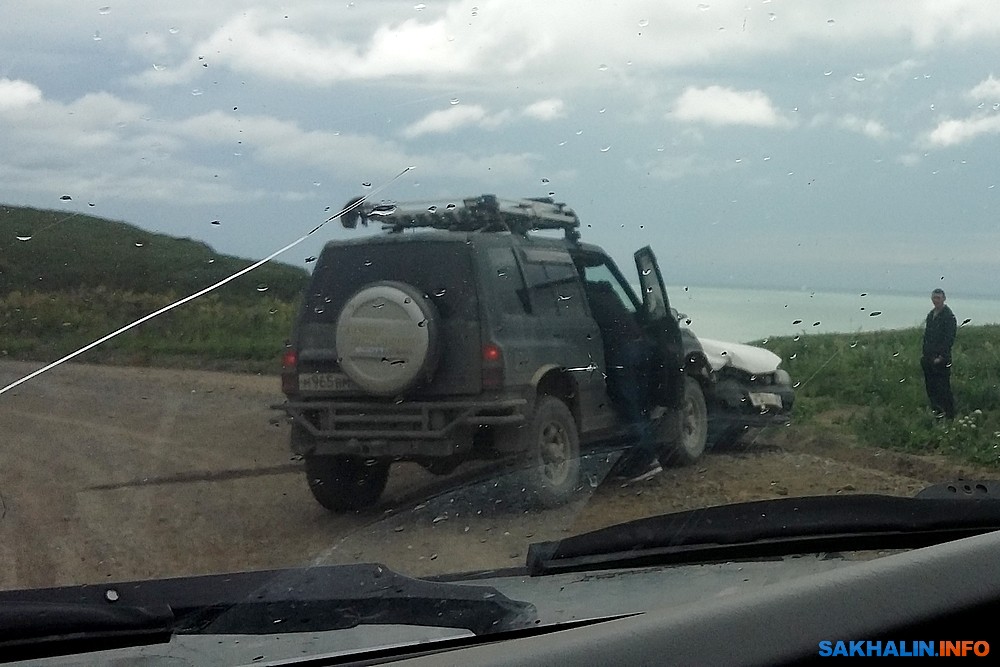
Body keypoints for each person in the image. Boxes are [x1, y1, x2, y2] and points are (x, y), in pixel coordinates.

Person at [921, 288, 957, 419]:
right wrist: (925, 356)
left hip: (941, 360)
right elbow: (927, 336)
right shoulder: (931, 315)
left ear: (944, 299)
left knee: (943, 389)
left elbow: (949, 339)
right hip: (928, 358)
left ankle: (949, 417)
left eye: (938, 298)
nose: (936, 300)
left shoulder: (948, 316)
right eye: (934, 298)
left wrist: (941, 357)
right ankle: (937, 414)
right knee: (931, 389)